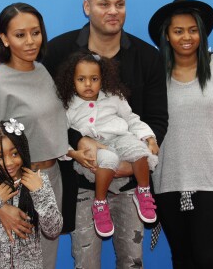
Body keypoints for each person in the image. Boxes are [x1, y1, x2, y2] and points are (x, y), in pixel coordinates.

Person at [43, 0, 168, 269]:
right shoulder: (57, 51)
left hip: (132, 185)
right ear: (87, 7)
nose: (113, 11)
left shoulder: (148, 57)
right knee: (85, 262)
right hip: (81, 182)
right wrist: (77, 141)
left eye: (120, 4)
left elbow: (156, 119)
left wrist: (134, 160)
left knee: (133, 261)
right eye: (104, 4)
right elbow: (46, 116)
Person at [0, 3, 68, 269]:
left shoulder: (43, 71)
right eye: (20, 34)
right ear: (4, 38)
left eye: (36, 32)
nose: (30, 41)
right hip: (17, 191)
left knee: (47, 263)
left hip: (49, 181)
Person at [148, 0, 213, 268]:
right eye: (178, 31)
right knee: (181, 259)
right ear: (166, 36)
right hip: (167, 180)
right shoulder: (155, 74)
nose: (186, 37)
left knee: (206, 260)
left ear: (201, 33)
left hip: (212, 182)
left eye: (192, 30)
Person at [57, 50, 159, 237]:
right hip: (95, 147)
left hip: (121, 138)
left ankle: (143, 191)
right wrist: (73, 153)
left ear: (102, 78)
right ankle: (100, 202)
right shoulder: (67, 106)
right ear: (72, 80)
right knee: (109, 159)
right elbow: (59, 135)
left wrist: (149, 138)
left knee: (139, 150)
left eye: (94, 79)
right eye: (81, 79)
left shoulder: (114, 97)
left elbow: (132, 119)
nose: (88, 84)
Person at [0, 119, 63, 268]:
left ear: (23, 151)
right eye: (0, 157)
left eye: (14, 154)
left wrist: (39, 193)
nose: (8, 163)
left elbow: (54, 230)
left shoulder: (39, 181)